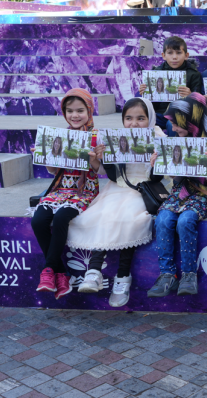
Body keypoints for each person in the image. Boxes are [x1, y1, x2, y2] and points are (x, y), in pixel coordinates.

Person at [66, 98, 167, 307]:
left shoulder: (158, 137)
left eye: (141, 118)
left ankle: (122, 278)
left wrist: (156, 164)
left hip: (143, 189)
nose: (134, 123)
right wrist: (105, 160)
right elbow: (113, 176)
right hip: (118, 187)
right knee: (102, 213)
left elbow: (157, 178)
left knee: (128, 218)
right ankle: (93, 271)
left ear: (150, 118)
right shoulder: (117, 137)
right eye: (128, 118)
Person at [147, 93, 207, 297]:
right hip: (179, 192)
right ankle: (167, 274)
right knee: (163, 219)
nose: (173, 128)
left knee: (185, 221)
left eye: (177, 123)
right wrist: (160, 164)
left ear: (192, 120)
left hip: (203, 194)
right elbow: (174, 174)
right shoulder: (176, 140)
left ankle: (189, 274)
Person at [33, 89, 103, 300]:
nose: (75, 115)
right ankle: (60, 273)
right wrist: (47, 156)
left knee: (62, 216)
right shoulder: (59, 136)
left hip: (85, 190)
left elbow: (101, 171)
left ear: (89, 111)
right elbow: (53, 171)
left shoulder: (96, 137)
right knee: (39, 220)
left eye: (80, 110)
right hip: (60, 189)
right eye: (70, 111)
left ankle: (47, 271)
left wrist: (94, 159)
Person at [138, 36, 203, 130]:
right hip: (159, 114)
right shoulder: (155, 73)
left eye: (179, 53)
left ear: (186, 55)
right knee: (141, 121)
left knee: (172, 124)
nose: (174, 57)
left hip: (181, 114)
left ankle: (175, 144)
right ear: (163, 55)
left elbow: (200, 102)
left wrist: (191, 95)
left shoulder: (193, 74)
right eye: (170, 53)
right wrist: (144, 93)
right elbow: (151, 105)